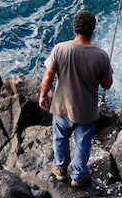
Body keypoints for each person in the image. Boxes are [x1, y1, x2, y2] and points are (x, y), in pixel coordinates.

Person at [39, 10, 113, 187]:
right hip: (86, 111)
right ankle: (79, 175)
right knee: (83, 143)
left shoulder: (60, 49)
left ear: (74, 28)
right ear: (92, 30)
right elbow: (106, 84)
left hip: (61, 107)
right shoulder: (101, 56)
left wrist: (43, 95)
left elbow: (48, 77)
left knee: (60, 138)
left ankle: (60, 168)